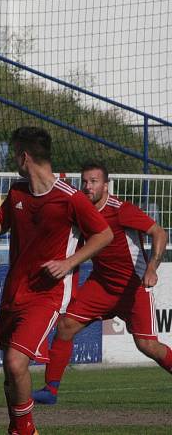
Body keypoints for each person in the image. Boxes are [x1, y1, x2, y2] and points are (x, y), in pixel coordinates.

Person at [0, 127, 113, 435]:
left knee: (16, 361)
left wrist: (69, 263)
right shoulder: (17, 191)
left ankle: (27, 431)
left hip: (47, 295)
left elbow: (105, 234)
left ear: (24, 156)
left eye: (14, 154)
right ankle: (18, 429)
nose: (13, 160)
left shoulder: (70, 198)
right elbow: (1, 224)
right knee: (10, 372)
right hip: (15, 291)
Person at [33, 160, 172, 405]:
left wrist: (152, 267)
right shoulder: (80, 212)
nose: (88, 187)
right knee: (66, 326)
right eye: (84, 182)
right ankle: (50, 390)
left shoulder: (121, 210)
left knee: (148, 346)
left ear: (105, 186)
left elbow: (160, 233)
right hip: (101, 286)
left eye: (94, 182)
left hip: (134, 288)